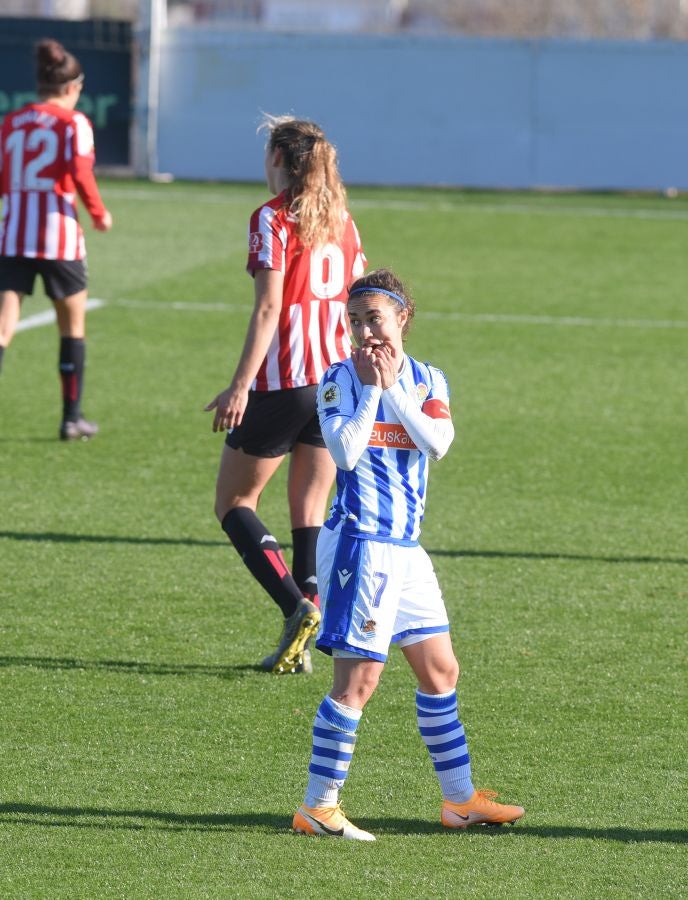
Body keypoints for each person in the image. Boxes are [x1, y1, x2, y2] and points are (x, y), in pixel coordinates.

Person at [293, 268, 524, 840]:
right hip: (360, 546)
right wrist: (373, 387)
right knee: (358, 683)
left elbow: (438, 443)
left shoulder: (429, 380)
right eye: (354, 321)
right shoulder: (338, 380)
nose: (364, 331)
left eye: (374, 318)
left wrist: (394, 386)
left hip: (406, 550)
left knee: (441, 670)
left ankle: (459, 800)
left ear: (402, 318)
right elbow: (345, 454)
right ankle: (318, 806)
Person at [205, 115, 366, 675]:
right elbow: (356, 301)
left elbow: (269, 308)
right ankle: (304, 641)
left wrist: (240, 386)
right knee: (308, 511)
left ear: (279, 160)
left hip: (283, 385)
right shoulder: (342, 221)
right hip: (332, 383)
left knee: (233, 503)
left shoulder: (271, 219)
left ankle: (294, 607)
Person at [0, 38, 113, 440]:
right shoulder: (73, 123)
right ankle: (71, 418)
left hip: (12, 236)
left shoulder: (11, 123)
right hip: (58, 238)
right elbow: (81, 174)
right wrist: (99, 214)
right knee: (72, 327)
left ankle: (72, 418)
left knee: (2, 327)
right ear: (72, 87)